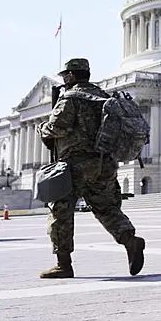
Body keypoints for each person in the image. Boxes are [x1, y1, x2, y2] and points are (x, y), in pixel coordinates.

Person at [37, 58, 146, 278]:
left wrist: (42, 129)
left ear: (70, 75)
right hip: (103, 164)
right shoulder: (105, 97)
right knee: (107, 209)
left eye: (65, 75)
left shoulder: (70, 98)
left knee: (61, 212)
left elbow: (58, 127)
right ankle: (130, 240)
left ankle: (63, 264)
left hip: (74, 166)